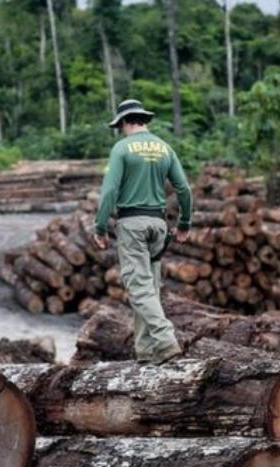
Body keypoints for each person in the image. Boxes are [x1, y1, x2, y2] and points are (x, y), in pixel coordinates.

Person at [93, 99, 193, 365]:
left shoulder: (121, 149)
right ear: (144, 120)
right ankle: (146, 353)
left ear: (125, 122)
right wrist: (184, 223)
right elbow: (184, 189)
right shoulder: (164, 148)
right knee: (149, 288)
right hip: (158, 226)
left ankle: (166, 340)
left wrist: (100, 226)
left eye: (120, 126)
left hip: (132, 224)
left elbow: (109, 192)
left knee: (138, 288)